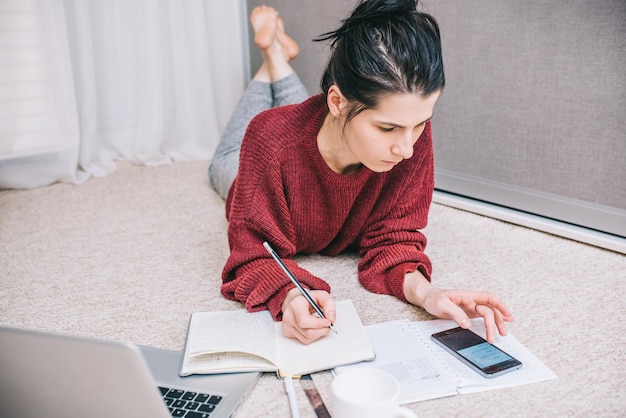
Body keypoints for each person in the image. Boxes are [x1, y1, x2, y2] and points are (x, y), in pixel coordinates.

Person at [209, 0, 513, 345]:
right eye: (387, 129)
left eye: (419, 125)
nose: (407, 149)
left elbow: (394, 239)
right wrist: (291, 296)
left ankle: (276, 56)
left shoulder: (408, 137)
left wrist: (427, 293)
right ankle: (272, 60)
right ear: (337, 102)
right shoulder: (268, 141)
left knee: (299, 113)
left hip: (319, 124)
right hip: (247, 169)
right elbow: (253, 254)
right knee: (222, 162)